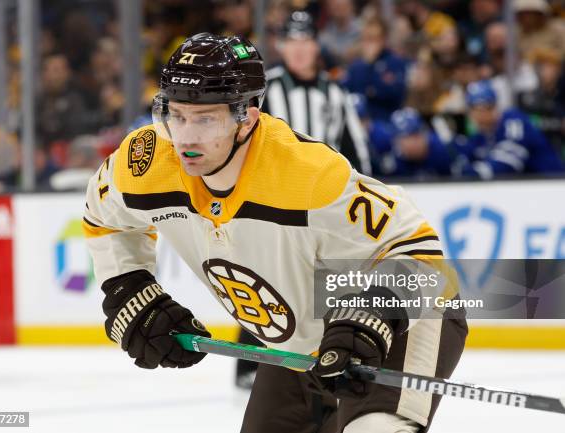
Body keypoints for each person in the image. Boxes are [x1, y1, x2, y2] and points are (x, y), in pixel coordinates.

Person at [83, 33, 467, 433]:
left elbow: (422, 257)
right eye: (176, 115)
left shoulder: (308, 173)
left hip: (405, 321)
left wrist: (370, 317)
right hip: (300, 343)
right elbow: (103, 216)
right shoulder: (144, 162)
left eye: (205, 118)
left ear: (246, 118)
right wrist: (129, 287)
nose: (186, 137)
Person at [263, 11, 371, 174]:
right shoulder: (265, 88)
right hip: (277, 188)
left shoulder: (335, 91)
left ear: (316, 46)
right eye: (291, 41)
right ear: (282, 46)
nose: (298, 50)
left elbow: (355, 148)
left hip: (326, 187)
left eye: (305, 41)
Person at [455, 80, 564, 179]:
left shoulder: (513, 121)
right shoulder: (480, 137)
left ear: (495, 107)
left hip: (553, 184)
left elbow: (508, 163)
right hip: (529, 190)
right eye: (475, 109)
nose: (481, 114)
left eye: (486, 107)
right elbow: (463, 160)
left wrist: (472, 173)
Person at [342, 19, 409, 122]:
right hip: (359, 121)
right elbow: (347, 91)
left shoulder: (394, 62)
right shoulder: (356, 66)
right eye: (365, 39)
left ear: (383, 40)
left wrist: (371, 68)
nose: (368, 44)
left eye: (373, 39)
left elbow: (396, 94)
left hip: (387, 120)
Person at [376, 107, 455, 179]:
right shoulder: (392, 162)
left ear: (425, 133)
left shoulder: (441, 150)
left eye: (416, 136)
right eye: (406, 138)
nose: (412, 143)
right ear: (396, 140)